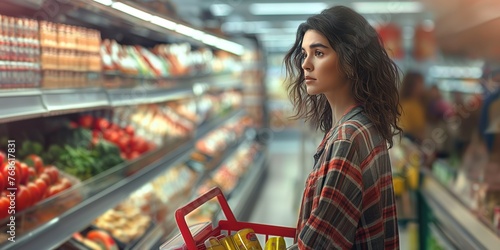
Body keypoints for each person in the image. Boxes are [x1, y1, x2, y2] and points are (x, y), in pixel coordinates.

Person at [284, 6, 401, 249]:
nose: (305, 64)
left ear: (350, 58)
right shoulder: (364, 123)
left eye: (318, 53)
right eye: (304, 53)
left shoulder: (347, 138)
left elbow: (319, 244)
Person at [399, 71, 427, 144]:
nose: (422, 87)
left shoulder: (418, 103)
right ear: (411, 86)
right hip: (411, 144)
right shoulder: (407, 105)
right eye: (419, 84)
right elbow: (405, 130)